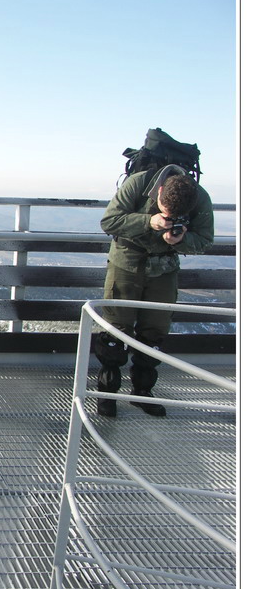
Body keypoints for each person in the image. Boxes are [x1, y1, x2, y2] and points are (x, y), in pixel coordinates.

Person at [94, 163, 214, 417]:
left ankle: (142, 392)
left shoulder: (199, 197)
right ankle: (107, 394)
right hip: (126, 263)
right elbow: (109, 221)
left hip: (164, 268)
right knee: (116, 330)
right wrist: (149, 221)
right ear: (158, 191)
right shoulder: (138, 183)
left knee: (155, 332)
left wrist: (181, 240)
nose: (169, 218)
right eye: (166, 213)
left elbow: (204, 240)